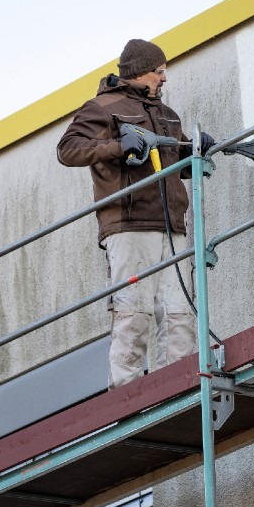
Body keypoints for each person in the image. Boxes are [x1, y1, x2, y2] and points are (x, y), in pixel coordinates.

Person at [57, 39, 211, 389]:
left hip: (172, 227)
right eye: (159, 71)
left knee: (180, 314)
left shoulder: (166, 114)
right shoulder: (103, 107)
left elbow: (179, 163)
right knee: (134, 313)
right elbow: (68, 150)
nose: (164, 78)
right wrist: (117, 146)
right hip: (129, 225)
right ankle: (126, 401)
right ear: (141, 72)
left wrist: (199, 149)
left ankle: (180, 390)